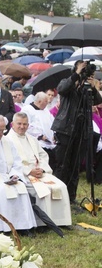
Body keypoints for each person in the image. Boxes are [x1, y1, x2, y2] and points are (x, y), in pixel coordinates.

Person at [5, 112, 71, 226]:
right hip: (23, 174)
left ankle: (60, 221)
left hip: (39, 172)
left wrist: (41, 169)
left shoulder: (31, 139)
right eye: (19, 124)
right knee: (43, 190)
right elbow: (9, 161)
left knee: (61, 186)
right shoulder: (7, 140)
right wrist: (29, 171)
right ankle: (42, 223)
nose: (22, 127)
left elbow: (43, 155)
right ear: (12, 124)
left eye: (25, 124)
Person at [52, 60, 102, 205]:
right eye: (82, 68)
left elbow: (97, 101)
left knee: (75, 165)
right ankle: (58, 197)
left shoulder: (87, 87)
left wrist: (93, 87)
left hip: (82, 130)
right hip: (65, 129)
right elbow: (62, 89)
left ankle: (71, 198)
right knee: (63, 165)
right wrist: (77, 74)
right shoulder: (68, 83)